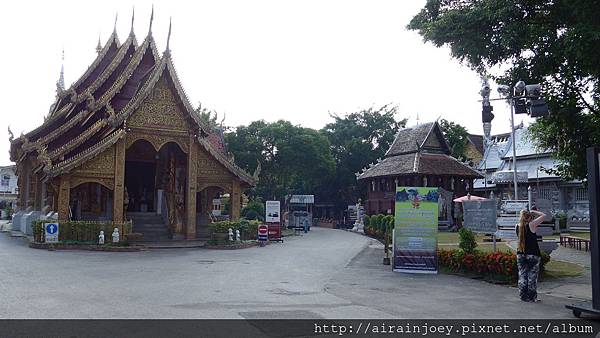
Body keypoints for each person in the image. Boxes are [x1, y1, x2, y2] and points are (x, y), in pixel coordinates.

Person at [515, 209, 546, 302]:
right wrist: (534, 211)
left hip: (520, 253)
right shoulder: (531, 225)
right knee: (532, 276)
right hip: (533, 253)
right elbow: (544, 215)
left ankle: (523, 295)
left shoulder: (517, 226)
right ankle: (532, 296)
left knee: (522, 274)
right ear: (529, 217)